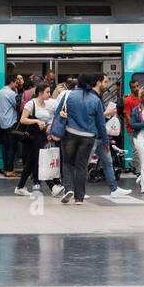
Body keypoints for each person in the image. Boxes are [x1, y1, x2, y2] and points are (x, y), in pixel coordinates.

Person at [57, 73, 112, 205]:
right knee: (81, 166)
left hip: (70, 133)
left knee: (68, 163)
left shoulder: (68, 95)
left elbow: (58, 113)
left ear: (78, 82)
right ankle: (79, 198)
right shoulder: (95, 100)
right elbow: (101, 123)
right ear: (93, 83)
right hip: (88, 137)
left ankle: (68, 189)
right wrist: (106, 141)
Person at [94, 77, 130, 197]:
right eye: (105, 82)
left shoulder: (98, 97)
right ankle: (76, 190)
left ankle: (114, 189)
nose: (107, 84)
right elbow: (91, 117)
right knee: (82, 164)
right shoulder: (93, 98)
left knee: (108, 162)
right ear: (98, 82)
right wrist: (107, 114)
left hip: (100, 137)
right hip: (92, 137)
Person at [14, 82, 53, 196]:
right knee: (38, 160)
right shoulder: (31, 104)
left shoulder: (45, 105)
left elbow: (47, 119)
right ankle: (52, 185)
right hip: (32, 136)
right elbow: (23, 119)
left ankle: (20, 186)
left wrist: (48, 126)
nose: (49, 94)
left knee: (32, 162)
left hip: (42, 136)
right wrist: (36, 121)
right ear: (40, 92)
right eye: (47, 92)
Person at [0, 76, 22, 178]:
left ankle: (6, 169)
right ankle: (10, 171)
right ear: (12, 82)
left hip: (2, 123)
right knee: (12, 147)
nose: (16, 86)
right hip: (11, 122)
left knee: (6, 147)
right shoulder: (11, 93)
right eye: (16, 84)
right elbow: (17, 106)